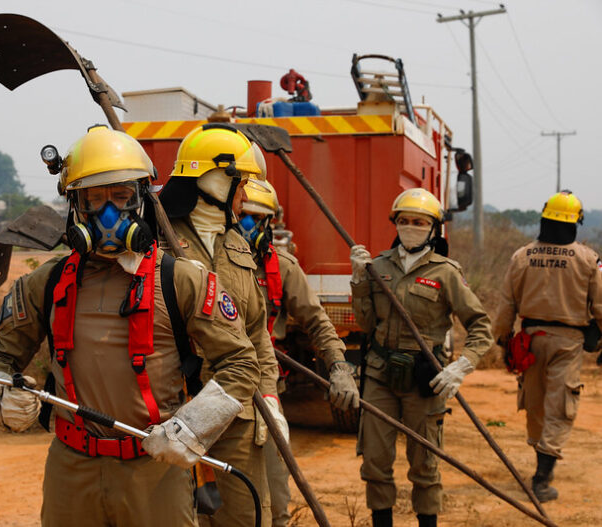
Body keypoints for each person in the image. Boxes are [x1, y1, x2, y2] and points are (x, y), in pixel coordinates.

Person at [0, 125, 261, 527]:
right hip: (71, 468)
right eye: (94, 198)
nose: (108, 213)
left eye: (121, 196)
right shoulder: (46, 283)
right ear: (75, 204)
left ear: (141, 199)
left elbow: (241, 363)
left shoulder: (181, 279)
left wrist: (194, 426)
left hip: (156, 467)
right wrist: (0, 395)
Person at [159, 123, 280, 527]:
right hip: (173, 412)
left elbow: (257, 332)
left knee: (245, 517)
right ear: (214, 180)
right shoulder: (158, 242)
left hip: (236, 411)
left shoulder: (238, 246)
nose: (245, 197)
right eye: (240, 185)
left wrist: (269, 394)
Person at [349, 188, 493, 527]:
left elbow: (481, 326)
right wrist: (358, 281)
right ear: (395, 223)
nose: (410, 227)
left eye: (419, 222)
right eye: (404, 221)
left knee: (425, 465)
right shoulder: (378, 266)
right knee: (375, 462)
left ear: (433, 229)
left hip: (424, 380)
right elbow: (367, 325)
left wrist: (461, 367)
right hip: (380, 375)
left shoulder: (446, 272)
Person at [237, 173, 359, 527]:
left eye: (258, 218)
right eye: (243, 215)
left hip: (263, 385)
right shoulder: (203, 261)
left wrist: (339, 366)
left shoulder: (281, 267)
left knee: (275, 495)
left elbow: (318, 322)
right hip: (210, 384)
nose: (248, 225)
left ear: (270, 224)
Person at [492, 190, 602, 503]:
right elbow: (600, 306)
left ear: (544, 218)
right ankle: (542, 477)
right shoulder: (588, 259)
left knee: (536, 403)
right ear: (575, 222)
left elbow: (506, 304)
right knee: (560, 406)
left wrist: (503, 341)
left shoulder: (522, 256)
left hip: (530, 341)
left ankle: (541, 465)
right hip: (569, 342)